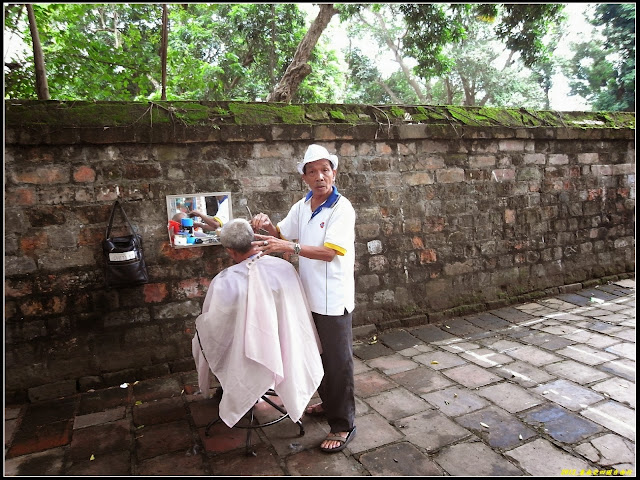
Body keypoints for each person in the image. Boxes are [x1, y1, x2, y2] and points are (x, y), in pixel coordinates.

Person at [250, 144, 357, 453]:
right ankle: (329, 403)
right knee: (319, 355)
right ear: (305, 177)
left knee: (338, 361)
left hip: (333, 298)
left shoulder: (341, 208)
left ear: (334, 173)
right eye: (313, 171)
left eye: (325, 170)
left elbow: (328, 252)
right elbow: (282, 235)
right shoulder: (304, 204)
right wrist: (267, 225)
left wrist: (289, 248)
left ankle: (344, 424)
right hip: (308, 295)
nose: (319, 176)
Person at [191, 218, 324, 428]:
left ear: (230, 251)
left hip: (244, 350)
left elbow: (214, 323)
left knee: (202, 334)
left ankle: (240, 386)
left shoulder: (225, 281)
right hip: (282, 345)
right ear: (254, 240)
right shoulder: (284, 268)